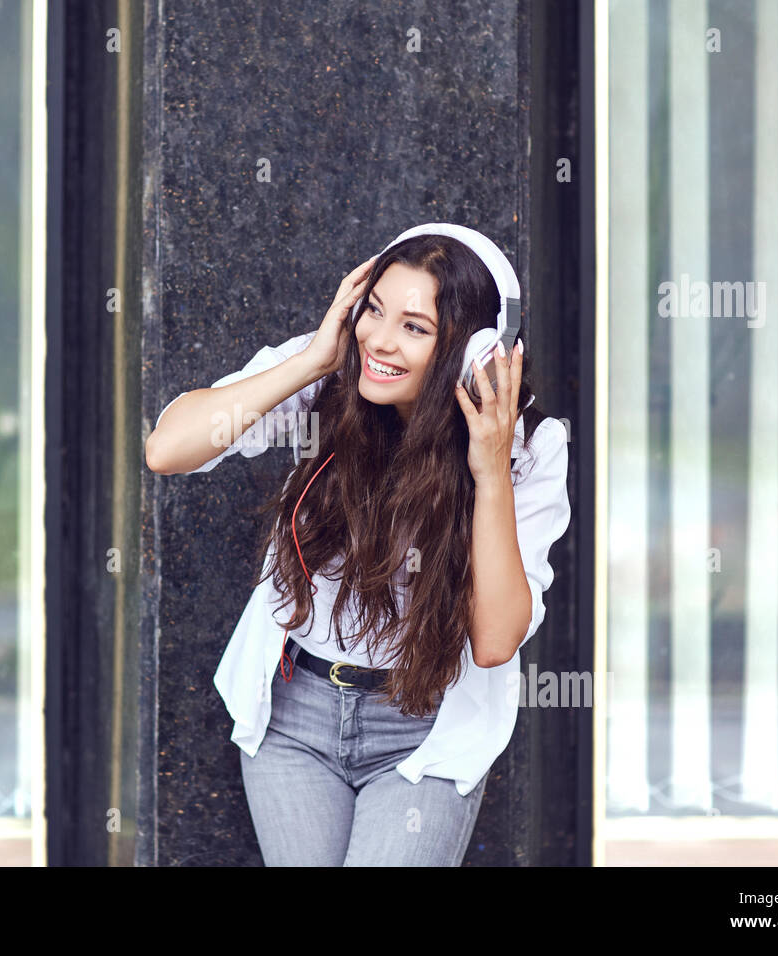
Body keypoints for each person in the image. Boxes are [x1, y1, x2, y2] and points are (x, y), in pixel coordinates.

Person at [145, 225, 571, 866]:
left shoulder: (529, 447)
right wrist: (312, 361)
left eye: (415, 327)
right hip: (295, 716)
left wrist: (489, 471)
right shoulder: (329, 377)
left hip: (424, 727)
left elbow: (493, 640)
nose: (380, 340)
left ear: (470, 352)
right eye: (374, 310)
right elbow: (166, 449)